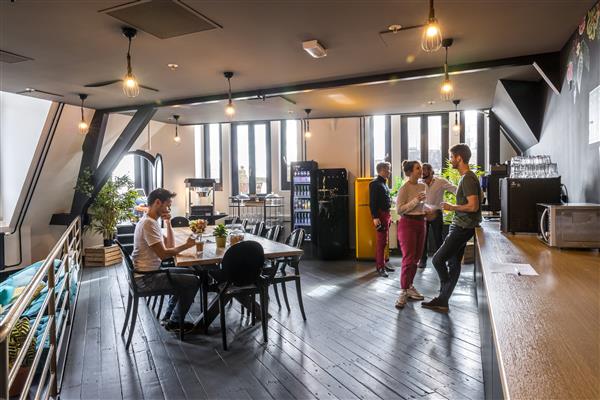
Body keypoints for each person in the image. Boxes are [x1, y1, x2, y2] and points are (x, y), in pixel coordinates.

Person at [422, 144, 481, 312]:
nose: (450, 160)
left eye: (452, 157)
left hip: (462, 227)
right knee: (454, 264)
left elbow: (473, 206)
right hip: (462, 226)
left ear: (459, 158)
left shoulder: (468, 178)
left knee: (437, 259)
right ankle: (443, 300)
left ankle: (445, 289)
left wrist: (451, 207)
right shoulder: (467, 177)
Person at [131, 188, 199, 332]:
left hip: (149, 273)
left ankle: (169, 317)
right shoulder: (148, 223)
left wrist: (168, 223)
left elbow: (170, 246)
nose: (169, 209)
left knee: (189, 272)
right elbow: (164, 255)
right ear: (157, 202)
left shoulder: (150, 221)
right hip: (146, 279)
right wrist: (186, 245)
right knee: (194, 281)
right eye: (167, 205)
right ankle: (175, 322)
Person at [395, 160, 428, 308]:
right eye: (417, 168)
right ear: (409, 172)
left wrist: (428, 209)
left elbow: (421, 205)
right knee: (408, 258)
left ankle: (409, 286)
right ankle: (403, 291)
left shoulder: (423, 186)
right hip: (407, 224)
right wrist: (416, 200)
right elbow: (400, 210)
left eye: (421, 168)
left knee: (416, 258)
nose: (421, 170)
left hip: (421, 222)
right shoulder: (404, 188)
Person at [418, 163, 457, 268]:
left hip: (436, 214)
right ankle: (423, 260)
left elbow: (454, 189)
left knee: (438, 238)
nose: (423, 173)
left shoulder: (440, 182)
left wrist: (465, 195)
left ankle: (441, 259)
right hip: (423, 214)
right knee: (423, 239)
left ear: (431, 171)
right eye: (422, 171)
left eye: (425, 170)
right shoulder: (418, 183)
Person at [369, 161, 395, 277]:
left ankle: (383, 264)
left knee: (385, 242)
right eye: (387, 170)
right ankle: (380, 267)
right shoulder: (375, 184)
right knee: (381, 242)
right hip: (380, 215)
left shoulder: (383, 183)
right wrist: (375, 217)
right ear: (381, 170)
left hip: (386, 215)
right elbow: (372, 202)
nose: (389, 172)